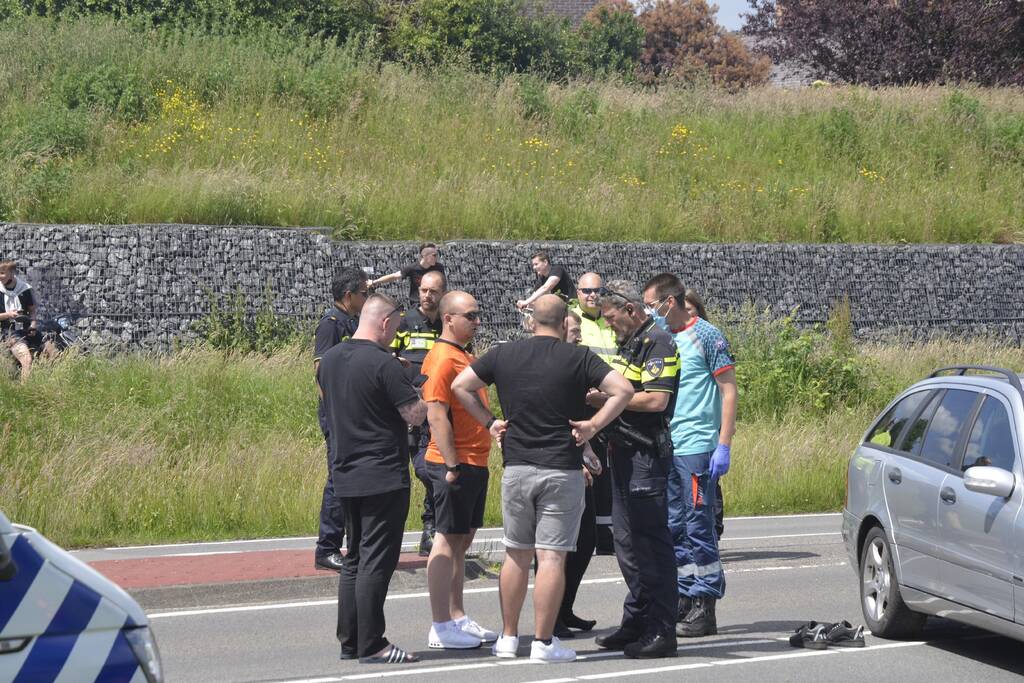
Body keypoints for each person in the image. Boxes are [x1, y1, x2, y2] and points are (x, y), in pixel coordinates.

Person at [451, 294, 633, 663]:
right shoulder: (578, 357)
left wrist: (490, 422)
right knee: (551, 558)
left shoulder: (504, 353)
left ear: (531, 321)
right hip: (561, 468)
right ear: (565, 322)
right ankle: (543, 642)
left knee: (516, 554)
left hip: (518, 466)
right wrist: (593, 425)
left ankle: (507, 637)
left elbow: (460, 385)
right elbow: (624, 390)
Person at [318, 293, 427, 665]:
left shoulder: (330, 360)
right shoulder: (384, 364)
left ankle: (350, 641)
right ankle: (373, 643)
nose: (397, 332)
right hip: (382, 472)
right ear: (384, 322)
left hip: (345, 469)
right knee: (377, 559)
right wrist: (418, 388)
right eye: (397, 325)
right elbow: (414, 415)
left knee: (354, 557)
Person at [642, 274, 737, 639]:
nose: (650, 311)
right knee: (673, 527)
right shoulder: (662, 338)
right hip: (669, 445)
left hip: (697, 446)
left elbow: (728, 391)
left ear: (670, 302)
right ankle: (684, 595)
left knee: (698, 525)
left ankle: (705, 602)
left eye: (652, 305)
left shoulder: (707, 336)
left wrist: (723, 443)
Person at [591, 280, 680, 659]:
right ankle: (638, 619)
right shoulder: (630, 342)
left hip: (645, 455)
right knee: (626, 544)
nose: (608, 325)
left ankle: (662, 630)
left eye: (611, 318)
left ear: (630, 310)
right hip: (623, 453)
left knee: (650, 544)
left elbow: (656, 400)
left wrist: (610, 399)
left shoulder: (657, 342)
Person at [421, 291, 498, 650]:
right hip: (454, 462)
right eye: (470, 315)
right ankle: (440, 625)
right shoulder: (441, 358)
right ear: (448, 318)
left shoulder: (463, 355)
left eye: (478, 314)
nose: (477, 321)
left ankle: (457, 616)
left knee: (461, 542)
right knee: (446, 540)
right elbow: (435, 413)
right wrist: (451, 465)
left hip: (474, 460)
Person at [312, 266, 369, 572]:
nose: (366, 298)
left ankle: (353, 543)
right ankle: (327, 548)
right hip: (338, 415)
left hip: (353, 413)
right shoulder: (331, 325)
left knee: (352, 477)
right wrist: (335, 410)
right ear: (349, 296)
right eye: (364, 293)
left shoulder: (353, 322)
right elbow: (321, 372)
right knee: (338, 479)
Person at [391, 269, 447, 556]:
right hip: (407, 411)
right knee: (408, 471)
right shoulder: (405, 322)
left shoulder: (448, 325)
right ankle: (389, 535)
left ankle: (430, 531)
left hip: (438, 410)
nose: (427, 295)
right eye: (424, 290)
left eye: (433, 291)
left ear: (442, 294)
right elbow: (385, 358)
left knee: (432, 471)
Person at [569, 272, 619, 555]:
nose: (592, 295)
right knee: (592, 468)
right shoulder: (572, 320)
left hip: (614, 402)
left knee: (610, 470)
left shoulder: (610, 319)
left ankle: (608, 533)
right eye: (586, 290)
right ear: (577, 292)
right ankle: (591, 533)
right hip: (587, 404)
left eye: (597, 290)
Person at [682, 288, 726, 540]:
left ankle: (714, 530)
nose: (685, 315)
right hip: (681, 431)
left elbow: (726, 389)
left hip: (706, 427)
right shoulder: (671, 337)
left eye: (689, 310)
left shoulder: (707, 336)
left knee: (708, 485)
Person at [368, 243, 445, 304]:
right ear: (425, 256)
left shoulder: (439, 267)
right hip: (416, 303)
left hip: (433, 302)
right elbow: (394, 276)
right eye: (434, 255)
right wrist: (374, 282)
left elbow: (443, 286)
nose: (437, 257)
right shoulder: (412, 268)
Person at [0, 260, 38, 383]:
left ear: (12, 273)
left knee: (51, 350)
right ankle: (24, 390)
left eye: (2, 273)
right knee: (27, 360)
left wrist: (33, 324)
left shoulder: (25, 289)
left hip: (26, 329)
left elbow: (32, 311)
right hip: (8, 331)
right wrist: (8, 315)